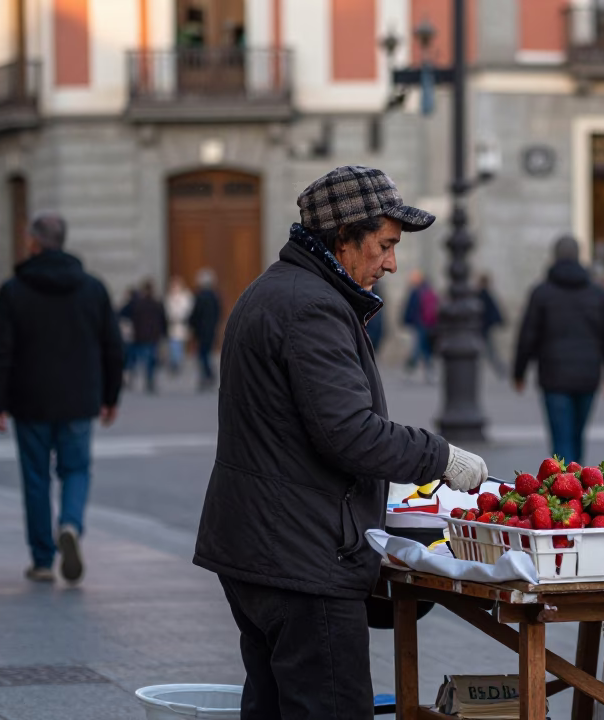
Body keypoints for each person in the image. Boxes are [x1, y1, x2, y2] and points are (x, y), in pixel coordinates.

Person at [194, 165, 487, 719]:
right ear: (342, 238)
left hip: (262, 546)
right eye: (384, 245)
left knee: (274, 706)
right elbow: (348, 433)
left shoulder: (277, 289)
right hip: (301, 559)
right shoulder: (312, 307)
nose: (392, 262)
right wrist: (440, 456)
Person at [0, 213, 124, 583]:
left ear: (33, 242)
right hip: (80, 398)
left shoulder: (14, 289)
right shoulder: (93, 288)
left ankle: (43, 560)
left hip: (29, 399)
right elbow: (113, 346)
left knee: (35, 478)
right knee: (76, 469)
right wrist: (111, 396)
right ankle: (71, 525)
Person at [513, 235, 604, 464]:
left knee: (561, 438)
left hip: (553, 374)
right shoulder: (598, 294)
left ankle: (563, 490)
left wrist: (519, 372)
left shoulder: (542, 293)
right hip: (588, 374)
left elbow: (527, 336)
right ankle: (578, 486)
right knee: (577, 434)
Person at [122, 279, 167, 395]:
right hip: (153, 336)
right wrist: (164, 334)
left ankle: (132, 378)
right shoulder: (157, 303)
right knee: (150, 360)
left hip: (140, 336)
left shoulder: (138, 304)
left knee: (137, 359)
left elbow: (126, 315)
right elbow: (163, 320)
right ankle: (149, 380)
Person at [402, 269, 438, 382]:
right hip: (429, 324)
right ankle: (429, 373)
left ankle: (410, 372)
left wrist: (406, 320)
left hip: (419, 324)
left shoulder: (416, 291)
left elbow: (411, 308)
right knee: (425, 349)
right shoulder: (429, 290)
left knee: (417, 349)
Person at [188, 269, 221, 391]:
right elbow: (218, 313)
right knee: (205, 353)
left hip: (201, 331)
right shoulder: (215, 296)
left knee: (202, 355)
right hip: (211, 330)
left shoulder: (200, 296)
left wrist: (191, 325)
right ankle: (207, 375)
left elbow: (195, 313)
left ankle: (207, 375)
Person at [478, 273, 506, 377]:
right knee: (490, 352)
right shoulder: (486, 294)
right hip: (484, 328)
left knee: (490, 352)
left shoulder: (483, 294)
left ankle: (501, 369)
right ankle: (501, 369)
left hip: (483, 328)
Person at [165, 276, 194, 375]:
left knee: (179, 345)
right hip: (172, 325)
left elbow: (188, 309)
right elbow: (167, 310)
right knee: (173, 344)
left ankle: (177, 362)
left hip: (181, 325)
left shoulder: (185, 296)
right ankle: (174, 363)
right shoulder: (169, 297)